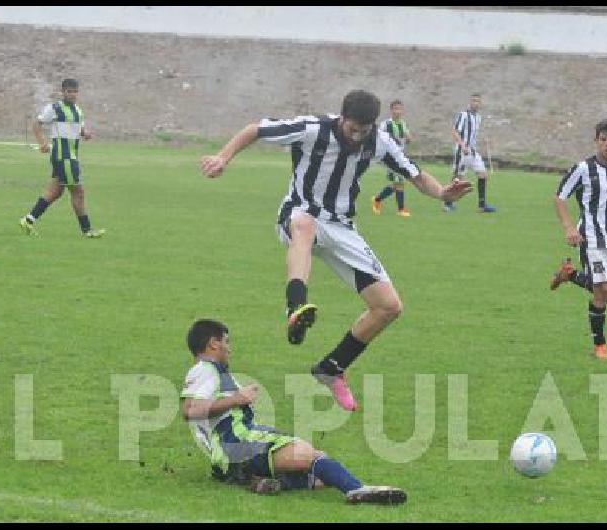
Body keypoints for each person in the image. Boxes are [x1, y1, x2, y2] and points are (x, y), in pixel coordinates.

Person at [200, 90, 471, 411]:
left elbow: (414, 174)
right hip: (299, 211)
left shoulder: (379, 140)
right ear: (342, 118)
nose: (357, 137)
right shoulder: (313, 128)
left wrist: (443, 194)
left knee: (389, 307)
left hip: (342, 226)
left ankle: (331, 367)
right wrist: (222, 157)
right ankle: (295, 307)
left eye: (363, 131)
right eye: (351, 129)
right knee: (304, 226)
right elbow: (255, 129)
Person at [180, 319, 407, 504]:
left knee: (321, 476)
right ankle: (357, 490)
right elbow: (189, 409)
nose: (229, 348)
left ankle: (257, 480)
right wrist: (237, 399)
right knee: (308, 454)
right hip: (238, 441)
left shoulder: (207, 373)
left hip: (227, 456)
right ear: (213, 344)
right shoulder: (205, 369)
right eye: (226, 342)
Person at [549, 120, 607, 360]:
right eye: (603, 139)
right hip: (590, 237)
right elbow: (559, 197)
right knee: (602, 290)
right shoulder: (583, 168)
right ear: (596, 140)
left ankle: (569, 274)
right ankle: (600, 346)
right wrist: (568, 228)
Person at [19, 78, 104, 238]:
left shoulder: (78, 110)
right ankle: (87, 230)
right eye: (69, 91)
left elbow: (78, 129)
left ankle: (28, 220)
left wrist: (85, 134)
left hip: (71, 156)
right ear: (63, 92)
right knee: (78, 192)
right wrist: (42, 142)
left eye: (75, 91)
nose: (72, 94)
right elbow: (37, 124)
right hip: (64, 157)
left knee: (55, 191)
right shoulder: (54, 108)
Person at [444, 93, 496, 213]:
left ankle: (482, 205)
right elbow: (454, 131)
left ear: (480, 104)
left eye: (478, 101)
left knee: (483, 174)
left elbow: (472, 134)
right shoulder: (463, 115)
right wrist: (462, 145)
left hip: (472, 152)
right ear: (470, 102)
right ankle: (447, 204)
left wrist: (484, 141)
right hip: (461, 151)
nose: (475, 103)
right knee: (458, 178)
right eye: (473, 101)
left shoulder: (478, 117)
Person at [372, 99, 413, 217]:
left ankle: (377, 199)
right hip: (390, 158)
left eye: (400, 109)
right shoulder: (386, 124)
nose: (398, 111)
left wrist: (409, 138)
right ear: (391, 110)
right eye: (395, 109)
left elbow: (407, 137)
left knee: (397, 183)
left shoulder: (402, 124)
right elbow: (379, 137)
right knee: (399, 181)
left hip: (400, 156)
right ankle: (401, 209)